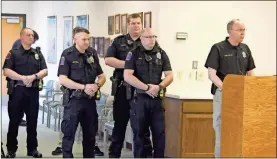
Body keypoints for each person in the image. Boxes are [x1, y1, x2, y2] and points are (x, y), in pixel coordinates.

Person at [204, 19, 256, 158]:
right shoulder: (218, 48)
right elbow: (211, 74)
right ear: (229, 31)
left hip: (241, 97)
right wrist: (227, 89)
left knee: (239, 131)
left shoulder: (245, 49)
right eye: (239, 30)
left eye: (244, 30)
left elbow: (250, 73)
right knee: (222, 130)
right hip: (223, 95)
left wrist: (252, 89)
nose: (242, 33)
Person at [104, 13, 153, 158]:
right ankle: (114, 155)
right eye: (133, 23)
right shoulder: (119, 42)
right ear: (128, 24)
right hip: (123, 89)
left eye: (138, 23)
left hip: (141, 91)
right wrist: (129, 64)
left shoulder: (147, 41)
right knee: (119, 125)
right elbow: (108, 60)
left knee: (142, 128)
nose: (136, 26)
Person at [124, 28, 174, 158]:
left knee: (160, 133)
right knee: (140, 133)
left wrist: (159, 86)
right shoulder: (133, 53)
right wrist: (147, 88)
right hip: (139, 99)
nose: (152, 39)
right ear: (141, 38)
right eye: (148, 37)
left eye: (153, 36)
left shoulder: (161, 53)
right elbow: (128, 76)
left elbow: (170, 75)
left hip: (156, 99)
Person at [57, 26, 106, 158]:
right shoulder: (67, 54)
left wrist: (96, 85)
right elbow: (63, 79)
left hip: (89, 102)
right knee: (69, 135)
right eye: (84, 39)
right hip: (74, 101)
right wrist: (84, 87)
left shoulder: (92, 53)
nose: (87, 42)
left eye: (88, 39)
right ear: (74, 39)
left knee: (90, 136)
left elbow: (102, 76)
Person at [3, 27, 48, 158]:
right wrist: (23, 78)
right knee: (14, 122)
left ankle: (32, 149)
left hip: (33, 92)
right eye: (28, 35)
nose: (31, 37)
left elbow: (45, 70)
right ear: (21, 37)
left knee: (32, 122)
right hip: (17, 91)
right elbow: (6, 70)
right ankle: (11, 150)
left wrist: (33, 77)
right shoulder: (14, 53)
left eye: (32, 35)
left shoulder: (37, 53)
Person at [8, 30, 40, 127]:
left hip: (23, 82)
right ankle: (18, 119)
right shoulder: (19, 47)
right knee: (16, 105)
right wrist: (25, 77)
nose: (33, 42)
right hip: (17, 83)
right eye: (34, 39)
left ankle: (18, 119)